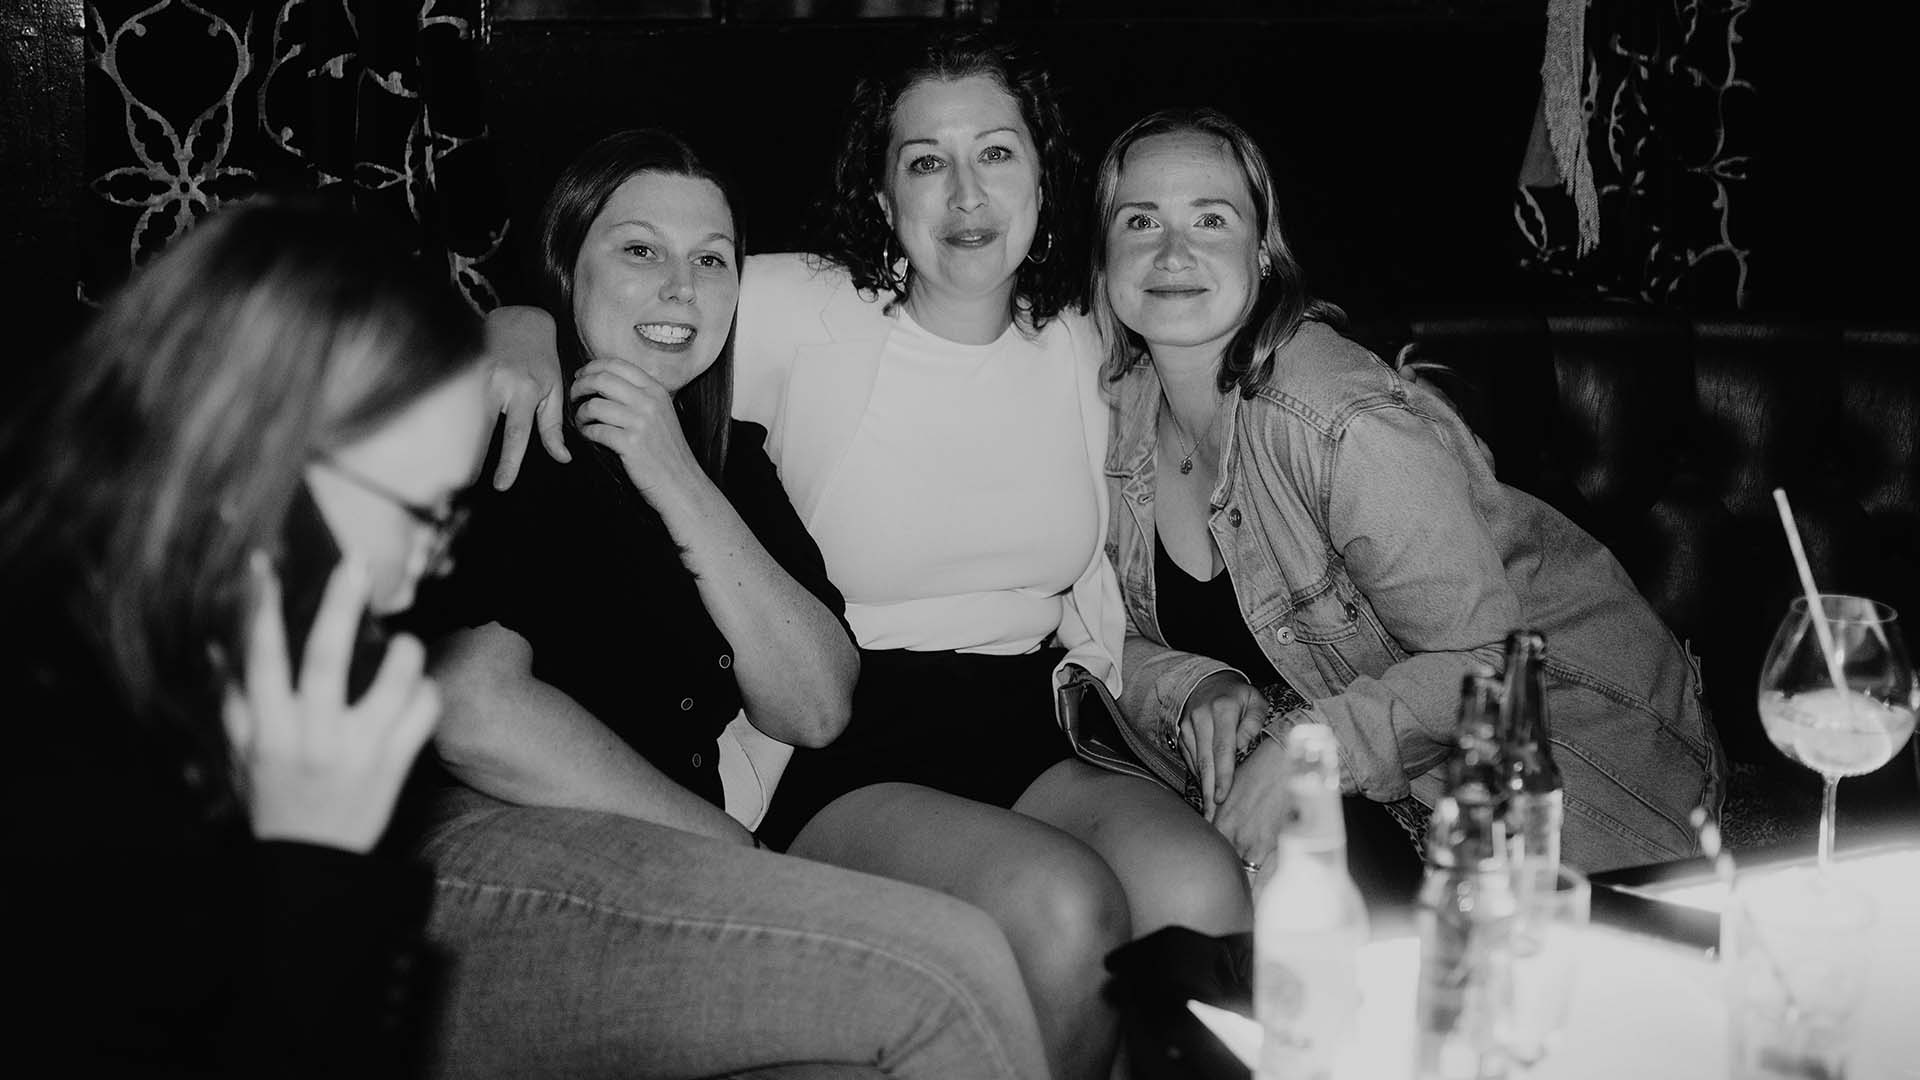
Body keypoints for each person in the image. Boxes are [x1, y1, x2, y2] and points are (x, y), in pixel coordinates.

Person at [483, 36, 1250, 1080]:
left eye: (997, 153)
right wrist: (515, 325)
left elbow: (1223, 351)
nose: (967, 193)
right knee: (1062, 909)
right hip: (845, 733)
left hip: (1027, 713)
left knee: (1200, 888)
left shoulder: (1083, 338)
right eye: (927, 161)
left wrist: (1193, 678)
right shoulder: (800, 304)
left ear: (1043, 178)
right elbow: (632, 295)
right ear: (885, 197)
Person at [407, 128, 1053, 1079]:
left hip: (649, 871)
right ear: (567, 268)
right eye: (640, 250)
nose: (682, 287)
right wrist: (733, 849)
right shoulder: (517, 417)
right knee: (946, 966)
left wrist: (677, 476)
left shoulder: (727, 460)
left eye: (711, 260)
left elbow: (815, 705)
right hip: (472, 852)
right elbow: (471, 706)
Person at [1087, 107, 1728, 883]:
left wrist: (1308, 750)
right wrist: (1191, 685)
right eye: (1141, 220)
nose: (1172, 251)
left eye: (1210, 219)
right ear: (1107, 256)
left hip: (1570, 749)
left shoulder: (1337, 420)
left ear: (1263, 253)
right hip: (1380, 764)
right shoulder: (1110, 414)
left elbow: (1488, 661)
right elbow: (1087, 626)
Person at [1, 197, 495, 1077]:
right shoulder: (53, 758)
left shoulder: (211, 672)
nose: (432, 567)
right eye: (426, 514)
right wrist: (316, 870)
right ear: (252, 473)